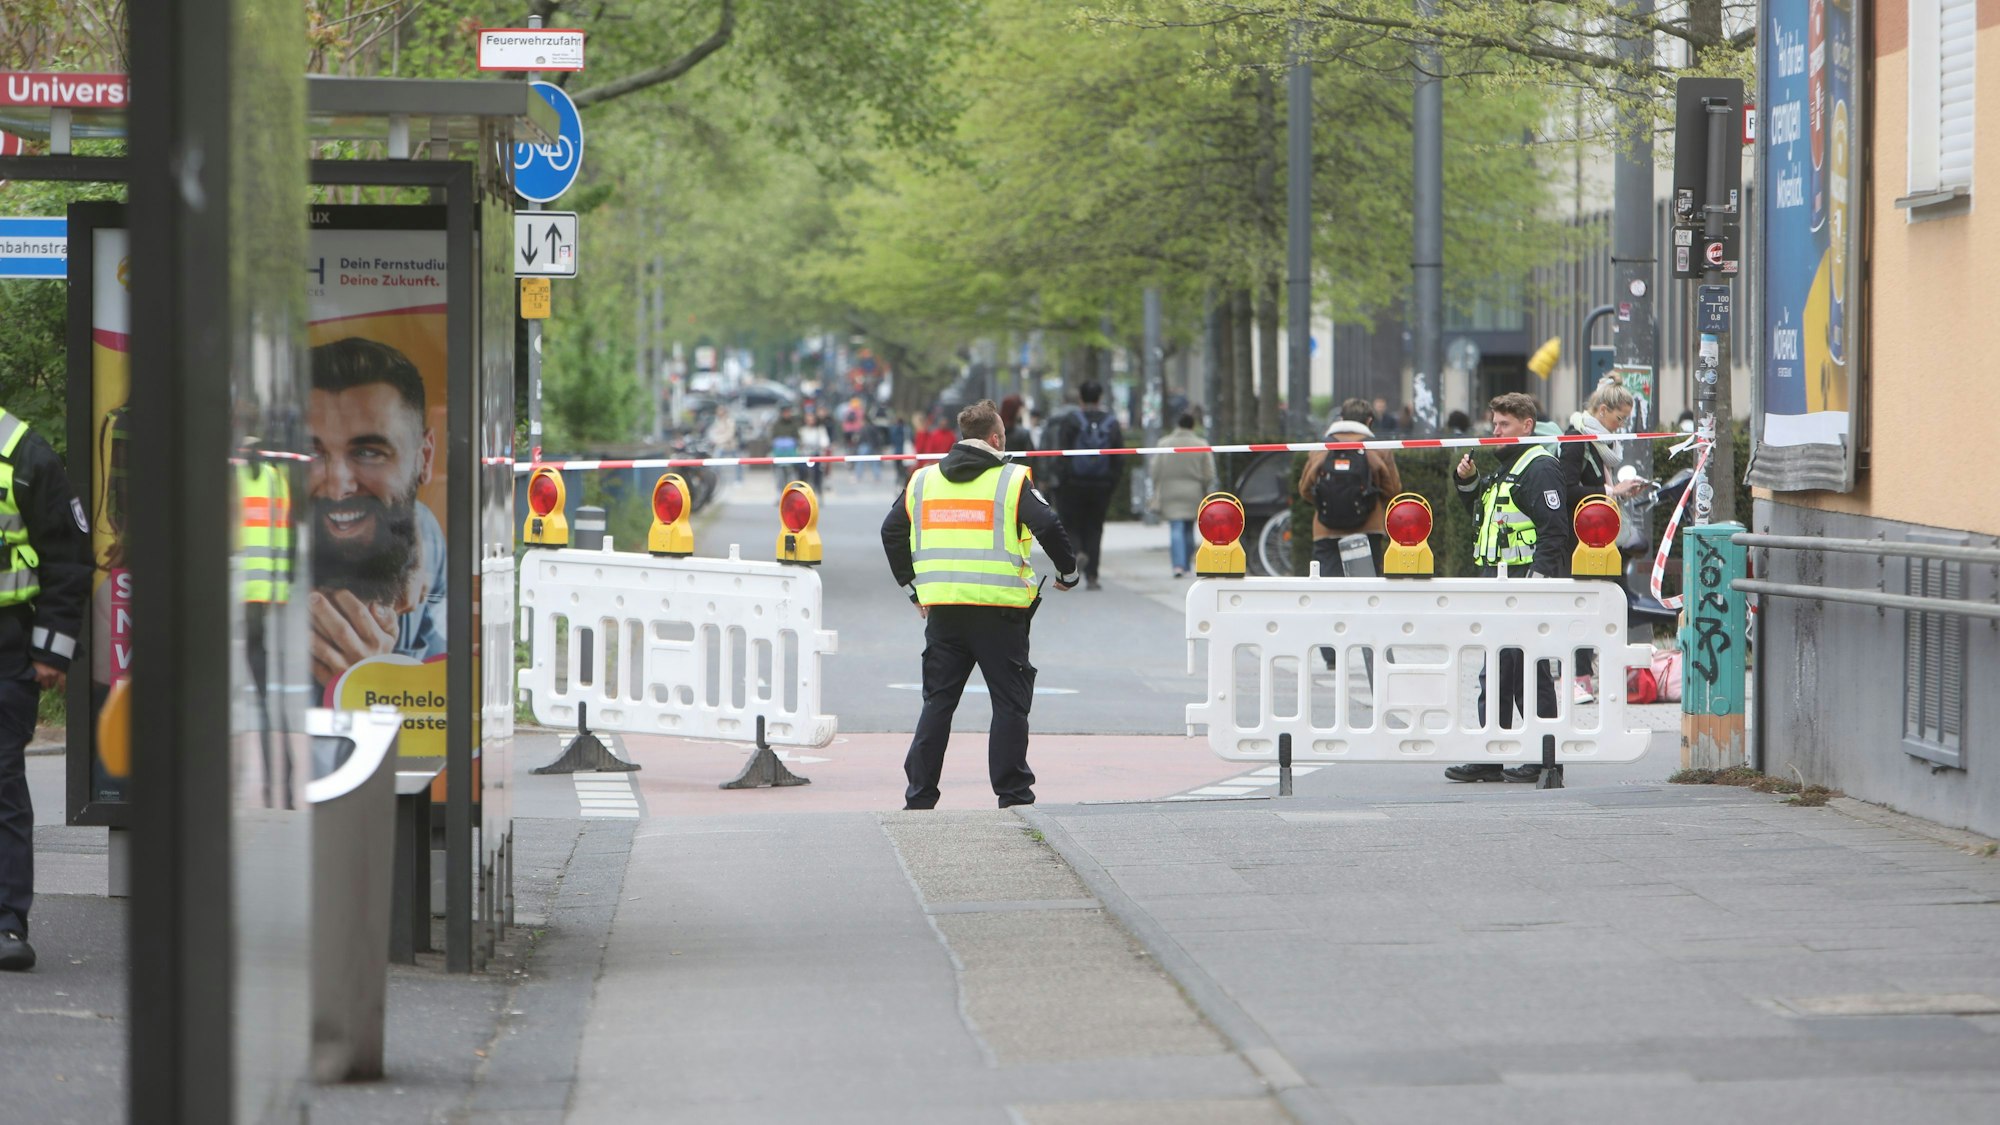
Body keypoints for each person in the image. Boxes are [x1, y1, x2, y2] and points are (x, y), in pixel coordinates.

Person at [880, 400, 1079, 809]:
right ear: (994, 438)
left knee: (938, 702)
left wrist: (912, 589)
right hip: (1000, 613)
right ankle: (1013, 795)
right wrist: (1067, 573)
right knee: (1009, 703)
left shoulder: (923, 480)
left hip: (944, 612)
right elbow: (1048, 524)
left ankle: (919, 795)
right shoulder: (1010, 481)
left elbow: (890, 531)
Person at [0, 407, 90, 972]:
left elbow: (69, 560)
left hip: (5, 650)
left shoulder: (26, 453)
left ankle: (7, 923)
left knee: (1, 783)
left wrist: (49, 652)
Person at [1443, 392, 1572, 783]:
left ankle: (1542, 757)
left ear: (1526, 426)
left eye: (1504, 425)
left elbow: (1555, 531)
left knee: (1526, 671)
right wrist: (1468, 485)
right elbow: (1487, 520)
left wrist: (1537, 583)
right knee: (1503, 671)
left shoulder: (1538, 467)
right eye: (1494, 424)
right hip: (1502, 583)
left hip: (1523, 583)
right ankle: (1498, 755)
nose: (1495, 431)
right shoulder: (1508, 468)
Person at [307, 337, 447, 691]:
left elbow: (445, 706)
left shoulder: (424, 533)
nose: (337, 487)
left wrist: (377, 686)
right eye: (310, 452)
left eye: (369, 452)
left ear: (424, 459)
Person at [1559, 379, 1645, 703]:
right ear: (1602, 410)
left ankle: (1605, 673)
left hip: (1604, 539)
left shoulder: (1600, 443)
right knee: (1586, 606)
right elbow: (1567, 490)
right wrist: (1612, 492)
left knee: (1613, 604)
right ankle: (1580, 679)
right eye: (1618, 418)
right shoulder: (1575, 439)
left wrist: (1618, 492)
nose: (1621, 426)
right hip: (1582, 541)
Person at [1299, 398, 1403, 579]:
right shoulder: (1377, 449)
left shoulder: (1321, 448)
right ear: (1369, 421)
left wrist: (1328, 502)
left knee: (1327, 592)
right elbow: (1393, 490)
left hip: (1326, 531)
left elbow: (1305, 489)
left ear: (1341, 418)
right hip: (1367, 531)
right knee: (1364, 593)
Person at [1042, 381, 1123, 590]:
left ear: (1081, 398)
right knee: (1095, 528)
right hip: (1101, 485)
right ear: (1100, 397)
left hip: (1073, 484)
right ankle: (1093, 577)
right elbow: (1118, 458)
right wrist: (1111, 482)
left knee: (1070, 524)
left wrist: (1061, 480)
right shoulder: (1111, 422)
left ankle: (1077, 552)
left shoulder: (1071, 420)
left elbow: (1062, 453)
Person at [1147, 412, 1214, 578]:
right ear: (1193, 426)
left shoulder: (1164, 443)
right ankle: (1186, 564)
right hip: (1193, 491)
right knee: (1189, 528)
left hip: (1170, 490)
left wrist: (1157, 486)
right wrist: (1205, 486)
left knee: (1175, 527)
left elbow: (1154, 470)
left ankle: (1177, 565)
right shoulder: (1201, 444)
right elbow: (1209, 473)